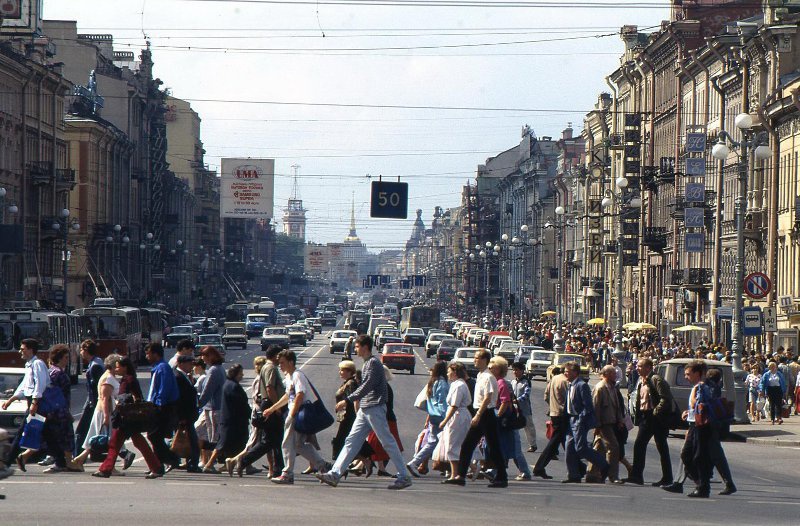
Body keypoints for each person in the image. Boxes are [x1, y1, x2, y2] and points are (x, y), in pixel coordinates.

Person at [316, 335, 412, 490]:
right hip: (366, 408)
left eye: (357, 346)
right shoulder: (368, 363)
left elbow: (367, 385)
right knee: (351, 441)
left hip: (374, 407)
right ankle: (335, 474)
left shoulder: (373, 363)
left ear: (365, 347)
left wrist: (347, 400)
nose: (355, 349)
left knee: (387, 441)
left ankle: (404, 475)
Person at [264, 350, 331, 484]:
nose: (280, 366)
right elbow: (288, 396)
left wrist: (292, 413)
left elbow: (300, 394)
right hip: (295, 412)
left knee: (287, 443)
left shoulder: (297, 375)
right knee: (299, 445)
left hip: (297, 413)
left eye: (282, 363)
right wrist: (272, 409)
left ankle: (287, 473)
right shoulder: (289, 377)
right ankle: (324, 466)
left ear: (291, 362)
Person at [93, 357, 163, 478]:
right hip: (129, 418)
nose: (116, 369)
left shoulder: (128, 380)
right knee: (137, 443)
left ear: (125, 367)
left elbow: (132, 397)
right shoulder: (128, 378)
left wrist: (121, 403)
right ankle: (156, 467)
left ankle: (106, 469)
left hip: (126, 417)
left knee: (115, 444)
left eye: (118, 366)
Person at [450, 349, 507, 488]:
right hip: (480, 412)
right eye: (474, 358)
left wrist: (478, 415)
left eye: (477, 358)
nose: (474, 360)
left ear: (485, 360)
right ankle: (460, 476)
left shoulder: (488, 377)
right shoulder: (480, 375)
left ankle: (502, 478)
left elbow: (488, 398)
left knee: (494, 447)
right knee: (467, 445)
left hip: (486, 414)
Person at [228, 346, 285, 478]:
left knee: (275, 440)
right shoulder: (271, 368)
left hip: (268, 404)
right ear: (276, 356)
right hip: (270, 404)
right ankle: (243, 461)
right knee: (268, 441)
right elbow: (270, 387)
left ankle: (278, 468)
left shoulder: (266, 367)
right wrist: (277, 407)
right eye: (280, 356)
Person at [663, 360, 713, 498]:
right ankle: (699, 484)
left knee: (697, 456)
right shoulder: (698, 386)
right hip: (694, 424)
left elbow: (700, 405)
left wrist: (691, 407)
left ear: (698, 374)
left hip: (700, 426)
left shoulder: (701, 387)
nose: (686, 377)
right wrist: (688, 412)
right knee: (688, 454)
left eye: (688, 374)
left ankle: (702, 486)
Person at [626, 357, 674, 487]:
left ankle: (665, 477)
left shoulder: (655, 379)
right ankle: (637, 475)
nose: (637, 368)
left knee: (658, 446)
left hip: (655, 418)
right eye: (637, 366)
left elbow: (666, 399)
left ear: (648, 368)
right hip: (646, 417)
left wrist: (655, 411)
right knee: (642, 445)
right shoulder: (641, 380)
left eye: (640, 366)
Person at [72, 354, 125, 470]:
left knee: (96, 439)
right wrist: (106, 416)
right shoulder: (108, 378)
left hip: (104, 411)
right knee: (110, 441)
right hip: (105, 412)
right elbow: (105, 398)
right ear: (113, 365)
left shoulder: (109, 376)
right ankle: (111, 467)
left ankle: (79, 460)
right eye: (118, 364)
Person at [562, 361, 608, 483]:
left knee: (581, 448)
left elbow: (588, 406)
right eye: (565, 371)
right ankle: (573, 475)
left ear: (575, 372)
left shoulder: (582, 385)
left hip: (579, 420)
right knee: (569, 448)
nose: (565, 373)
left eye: (567, 371)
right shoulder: (570, 384)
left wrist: (580, 419)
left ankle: (604, 465)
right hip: (570, 419)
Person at [491, 356, 530, 481]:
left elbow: (506, 402)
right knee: (503, 446)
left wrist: (498, 416)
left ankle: (525, 472)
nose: (490, 369)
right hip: (502, 418)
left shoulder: (503, 383)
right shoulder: (499, 382)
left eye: (493, 367)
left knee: (515, 448)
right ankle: (495, 470)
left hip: (507, 419)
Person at [407, 361, 448, 477]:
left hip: (432, 416)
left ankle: (416, 462)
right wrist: (447, 417)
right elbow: (442, 402)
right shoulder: (442, 383)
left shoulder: (432, 382)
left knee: (432, 441)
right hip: (440, 416)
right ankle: (414, 462)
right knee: (435, 442)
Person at [206, 364, 250, 473]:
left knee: (239, 444)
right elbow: (240, 404)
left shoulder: (228, 384)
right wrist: (248, 413)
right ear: (235, 374)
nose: (242, 375)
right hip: (233, 421)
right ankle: (209, 464)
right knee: (223, 444)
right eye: (240, 373)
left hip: (230, 420)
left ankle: (244, 465)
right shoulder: (233, 386)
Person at [145, 342, 181, 474]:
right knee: (155, 436)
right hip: (159, 407)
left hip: (163, 407)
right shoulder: (157, 368)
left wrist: (158, 405)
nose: (146, 356)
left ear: (155, 354)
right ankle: (158, 464)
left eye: (148, 353)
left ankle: (171, 459)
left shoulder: (163, 368)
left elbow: (163, 389)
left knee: (154, 436)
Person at [434, 362, 472, 483]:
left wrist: (445, 421)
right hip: (457, 416)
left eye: (449, 371)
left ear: (455, 372)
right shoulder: (456, 384)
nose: (448, 374)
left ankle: (455, 474)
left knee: (452, 445)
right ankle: (466, 469)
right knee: (455, 444)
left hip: (458, 417)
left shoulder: (459, 385)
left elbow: (454, 405)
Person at [586, 365, 624, 484]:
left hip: (611, 422)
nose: (615, 375)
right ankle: (613, 476)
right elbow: (596, 407)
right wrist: (596, 424)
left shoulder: (612, 387)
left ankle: (592, 474)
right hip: (603, 424)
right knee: (614, 447)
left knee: (599, 448)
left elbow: (617, 406)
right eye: (613, 373)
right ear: (606, 374)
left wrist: (620, 420)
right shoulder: (600, 388)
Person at [42, 346, 76, 473]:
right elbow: (56, 395)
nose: (67, 360)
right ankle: (63, 462)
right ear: (59, 358)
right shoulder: (58, 374)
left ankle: (67, 463)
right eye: (65, 357)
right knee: (61, 436)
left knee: (63, 436)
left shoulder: (52, 372)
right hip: (59, 411)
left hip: (57, 410)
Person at [532, 366, 568, 479]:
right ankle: (539, 467)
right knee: (557, 441)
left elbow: (546, 395)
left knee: (563, 441)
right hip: (562, 414)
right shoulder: (565, 381)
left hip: (554, 413)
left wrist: (552, 406)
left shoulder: (554, 379)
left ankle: (578, 467)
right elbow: (570, 400)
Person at [704, 368, 736, 495]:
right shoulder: (715, 386)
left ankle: (727, 483)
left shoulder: (710, 387)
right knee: (710, 454)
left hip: (711, 423)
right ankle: (703, 481)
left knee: (715, 455)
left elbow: (709, 402)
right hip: (714, 423)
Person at [74, 339, 104, 457]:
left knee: (81, 430)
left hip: (93, 403)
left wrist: (94, 403)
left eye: (81, 349)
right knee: (92, 430)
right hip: (93, 403)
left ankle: (77, 456)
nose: (80, 352)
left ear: (86, 350)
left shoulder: (95, 366)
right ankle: (92, 453)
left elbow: (97, 388)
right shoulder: (96, 362)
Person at [198, 346, 226, 471]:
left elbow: (208, 390)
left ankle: (210, 463)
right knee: (208, 435)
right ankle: (207, 461)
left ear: (211, 356)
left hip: (214, 408)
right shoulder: (217, 369)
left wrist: (198, 404)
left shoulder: (214, 370)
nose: (202, 359)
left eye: (204, 356)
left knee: (214, 436)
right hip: (211, 407)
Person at [174, 354, 201, 472]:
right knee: (192, 440)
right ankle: (192, 463)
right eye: (189, 364)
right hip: (185, 415)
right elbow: (180, 398)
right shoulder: (178, 376)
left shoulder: (186, 376)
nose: (192, 366)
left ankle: (188, 461)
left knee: (189, 440)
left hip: (189, 414)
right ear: (181, 364)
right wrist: (182, 416)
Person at [332, 360, 359, 459]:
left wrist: (344, 403)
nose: (340, 372)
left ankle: (339, 464)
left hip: (349, 416)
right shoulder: (347, 383)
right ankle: (364, 461)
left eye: (342, 370)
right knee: (348, 439)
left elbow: (354, 398)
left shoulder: (351, 383)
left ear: (349, 371)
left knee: (341, 440)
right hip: (344, 416)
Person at [510, 362, 536, 452]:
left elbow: (526, 395)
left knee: (529, 427)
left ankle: (533, 445)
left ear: (522, 370)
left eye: (517, 370)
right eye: (513, 370)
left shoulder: (526, 382)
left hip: (525, 409)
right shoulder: (513, 382)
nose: (515, 372)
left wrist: (516, 400)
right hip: (514, 409)